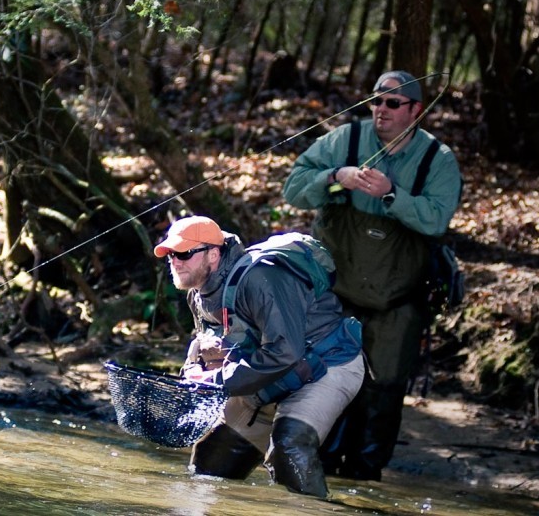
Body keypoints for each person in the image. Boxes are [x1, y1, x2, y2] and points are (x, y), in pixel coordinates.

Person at [282, 70, 463, 480]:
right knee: (321, 381)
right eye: (376, 101)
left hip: (398, 300)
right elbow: (293, 189)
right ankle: (313, 470)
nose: (381, 110)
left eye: (393, 103)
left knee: (382, 393)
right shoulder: (343, 140)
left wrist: (391, 195)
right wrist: (334, 177)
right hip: (333, 294)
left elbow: (437, 220)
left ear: (416, 111)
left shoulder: (439, 160)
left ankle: (364, 480)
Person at [153, 215, 365, 498]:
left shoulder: (262, 277)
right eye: (170, 256)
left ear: (213, 254)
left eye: (183, 254)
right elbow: (209, 343)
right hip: (268, 373)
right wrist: (195, 370)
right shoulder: (199, 291)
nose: (175, 262)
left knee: (289, 447)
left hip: (327, 364)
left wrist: (218, 381)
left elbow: (284, 352)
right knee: (212, 460)